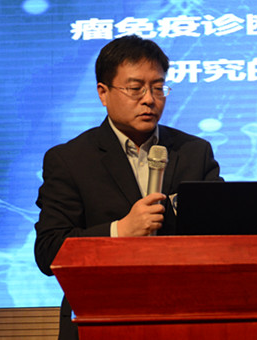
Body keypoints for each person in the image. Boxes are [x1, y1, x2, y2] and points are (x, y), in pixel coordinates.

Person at [34, 35, 222, 339]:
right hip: (100, 317)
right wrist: (120, 230)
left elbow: (221, 234)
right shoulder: (70, 160)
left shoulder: (193, 152)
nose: (149, 99)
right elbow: (48, 252)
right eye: (135, 89)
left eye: (158, 88)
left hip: (183, 318)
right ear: (103, 93)